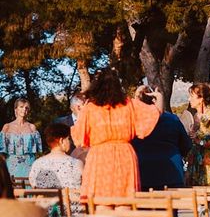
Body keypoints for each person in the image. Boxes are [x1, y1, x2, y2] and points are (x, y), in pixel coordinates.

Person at [71, 68, 162, 199]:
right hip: (124, 156)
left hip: (99, 158)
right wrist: (159, 98)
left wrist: (83, 112)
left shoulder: (89, 109)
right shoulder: (129, 104)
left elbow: (78, 139)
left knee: (101, 205)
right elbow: (154, 114)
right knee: (124, 206)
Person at [132, 85, 192, 190]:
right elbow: (186, 146)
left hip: (142, 174)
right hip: (172, 175)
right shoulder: (172, 119)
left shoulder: (133, 121)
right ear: (154, 99)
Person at [183, 83, 210, 186]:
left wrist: (199, 141)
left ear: (200, 99)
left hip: (207, 163)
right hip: (193, 161)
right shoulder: (195, 116)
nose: (189, 99)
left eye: (192, 96)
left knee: (208, 197)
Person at [29, 123, 83, 189]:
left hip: (45, 199)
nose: (70, 142)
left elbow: (33, 185)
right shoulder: (76, 164)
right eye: (68, 139)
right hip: (71, 199)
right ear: (61, 141)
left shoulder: (37, 164)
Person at [0, 98, 42, 178]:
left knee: (28, 189)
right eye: (21, 107)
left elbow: (36, 153)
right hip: (11, 168)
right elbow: (1, 154)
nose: (24, 109)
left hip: (29, 167)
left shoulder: (32, 127)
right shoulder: (7, 127)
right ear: (15, 109)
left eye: (26, 107)